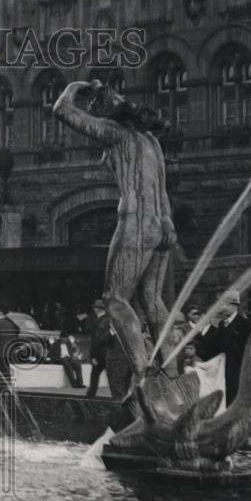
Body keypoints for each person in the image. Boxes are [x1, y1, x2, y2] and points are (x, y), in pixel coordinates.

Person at [54, 80, 176, 383]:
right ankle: (172, 372)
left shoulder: (115, 134)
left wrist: (75, 87)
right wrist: (168, 223)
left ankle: (143, 370)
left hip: (136, 219)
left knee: (114, 298)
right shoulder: (151, 140)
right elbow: (162, 189)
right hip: (162, 224)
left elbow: (61, 110)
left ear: (106, 114)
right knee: (152, 298)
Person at [201, 290, 251, 406]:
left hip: (238, 376)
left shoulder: (245, 325)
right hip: (222, 376)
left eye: (223, 304)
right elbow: (212, 350)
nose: (220, 307)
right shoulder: (221, 325)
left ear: (233, 305)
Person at [86, 300, 113, 397]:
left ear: (97, 309)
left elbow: (96, 341)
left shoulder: (97, 322)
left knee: (94, 375)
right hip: (108, 353)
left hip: (100, 354)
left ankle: (90, 395)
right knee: (110, 376)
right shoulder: (109, 320)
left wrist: (93, 356)